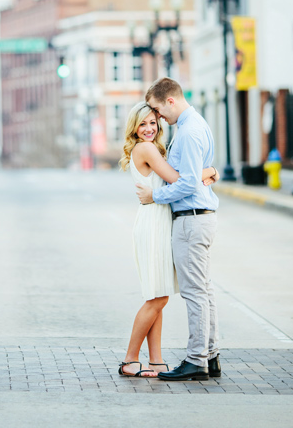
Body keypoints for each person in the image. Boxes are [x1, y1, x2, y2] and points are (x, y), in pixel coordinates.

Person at [117, 101, 217, 378]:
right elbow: (177, 180)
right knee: (157, 298)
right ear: (134, 128)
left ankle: (157, 361)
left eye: (153, 122)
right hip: (153, 224)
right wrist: (209, 172)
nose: (149, 128)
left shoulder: (155, 148)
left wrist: (202, 173)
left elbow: (179, 179)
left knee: (158, 294)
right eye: (143, 124)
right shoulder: (146, 148)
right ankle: (130, 359)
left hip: (160, 221)